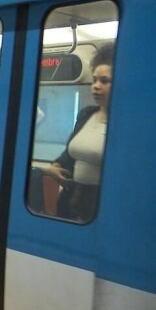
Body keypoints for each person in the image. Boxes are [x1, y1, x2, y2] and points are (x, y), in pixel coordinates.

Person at [43, 43, 114, 222]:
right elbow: (69, 154)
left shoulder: (124, 123)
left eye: (104, 81)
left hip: (98, 204)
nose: (96, 86)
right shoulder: (86, 114)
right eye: (95, 80)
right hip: (71, 197)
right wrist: (54, 167)